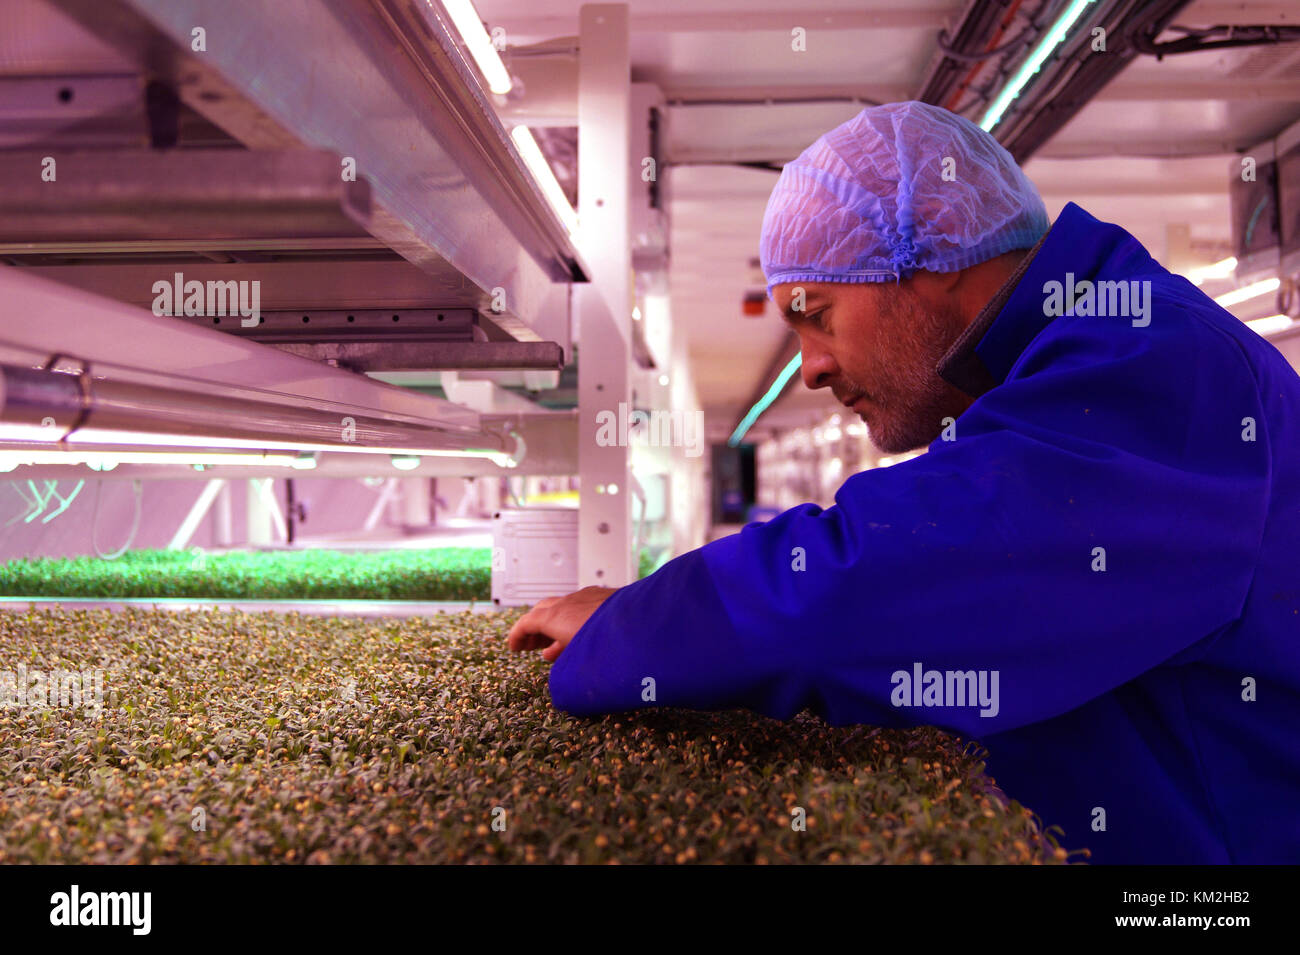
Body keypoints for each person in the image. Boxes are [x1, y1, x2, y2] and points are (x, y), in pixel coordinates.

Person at [506, 101, 1300, 865]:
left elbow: (902, 572)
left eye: (815, 313)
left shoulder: (1158, 358)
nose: (810, 367)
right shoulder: (1074, 360)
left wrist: (633, 628)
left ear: (934, 255)